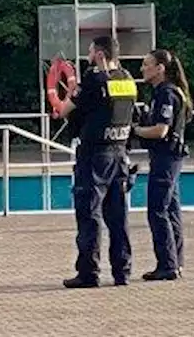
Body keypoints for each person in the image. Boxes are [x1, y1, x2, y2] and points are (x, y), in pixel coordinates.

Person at [56, 36, 135, 288]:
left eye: (90, 51)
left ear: (100, 54)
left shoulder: (93, 80)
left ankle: (88, 273)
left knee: (89, 214)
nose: (87, 56)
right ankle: (122, 272)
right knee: (118, 217)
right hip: (120, 152)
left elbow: (65, 109)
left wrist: (69, 96)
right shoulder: (127, 80)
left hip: (95, 155)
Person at [135, 48, 192, 281]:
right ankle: (175, 262)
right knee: (171, 210)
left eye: (147, 64)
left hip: (166, 158)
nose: (142, 68)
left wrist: (135, 130)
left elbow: (161, 130)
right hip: (170, 157)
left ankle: (167, 265)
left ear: (160, 69)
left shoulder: (166, 93)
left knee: (157, 210)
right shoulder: (169, 91)